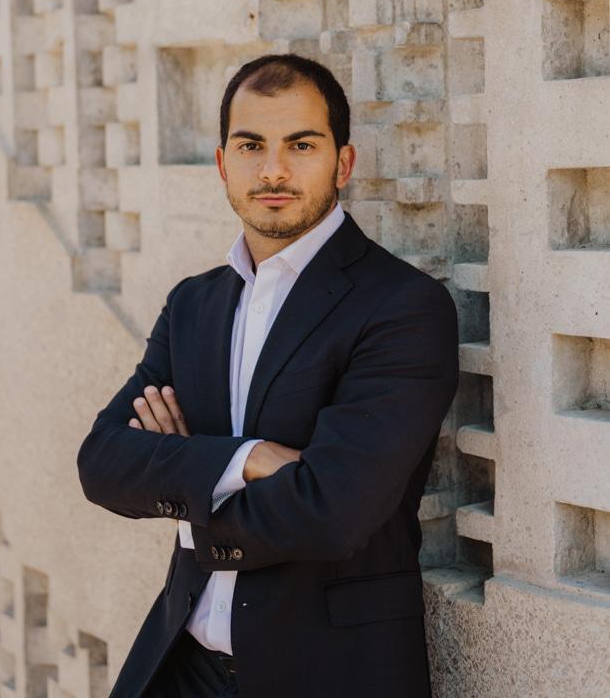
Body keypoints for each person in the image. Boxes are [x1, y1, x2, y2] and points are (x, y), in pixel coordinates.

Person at [76, 53, 460, 698]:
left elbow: (333, 513)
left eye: (301, 144)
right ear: (223, 163)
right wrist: (250, 460)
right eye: (251, 145)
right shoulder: (194, 304)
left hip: (326, 674)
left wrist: (184, 474)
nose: (273, 169)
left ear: (343, 162)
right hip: (181, 666)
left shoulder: (402, 306)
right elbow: (103, 462)